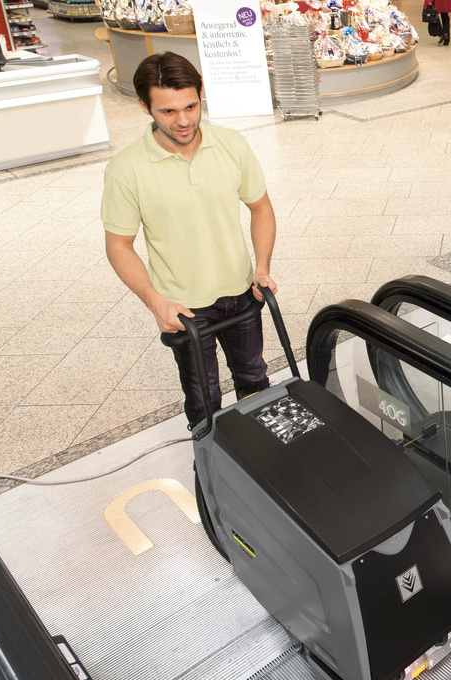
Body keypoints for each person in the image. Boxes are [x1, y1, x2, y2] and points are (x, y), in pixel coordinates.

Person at [101, 52, 279, 429]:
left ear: (201, 94)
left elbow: (260, 208)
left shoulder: (231, 144)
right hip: (181, 307)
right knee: (204, 400)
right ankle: (212, 475)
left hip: (240, 292)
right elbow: (118, 245)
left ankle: (265, 463)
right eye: (167, 112)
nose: (183, 121)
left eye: (191, 106)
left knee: (255, 381)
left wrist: (261, 267)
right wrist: (156, 303)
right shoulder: (126, 169)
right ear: (143, 106)